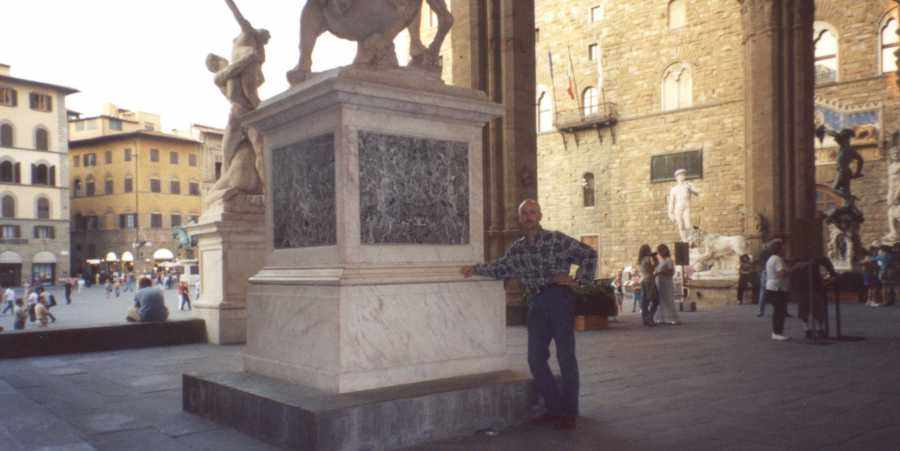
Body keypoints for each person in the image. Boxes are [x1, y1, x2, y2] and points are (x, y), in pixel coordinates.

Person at [460, 199, 597, 430]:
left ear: (540, 216)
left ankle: (569, 413)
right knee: (535, 359)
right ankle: (554, 409)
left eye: (533, 212)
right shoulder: (518, 248)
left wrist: (578, 280)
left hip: (559, 299)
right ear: (520, 218)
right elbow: (500, 267)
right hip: (534, 303)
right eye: (524, 213)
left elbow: (589, 255)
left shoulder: (556, 239)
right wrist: (474, 269)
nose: (529, 217)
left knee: (565, 357)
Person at [764, 239, 805, 341]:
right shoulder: (777, 259)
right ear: (779, 249)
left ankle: (777, 332)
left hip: (773, 287)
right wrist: (795, 268)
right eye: (783, 247)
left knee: (779, 311)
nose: (785, 249)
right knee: (779, 311)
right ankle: (777, 332)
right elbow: (781, 274)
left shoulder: (772, 258)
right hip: (777, 288)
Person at [667, 168, 700, 242]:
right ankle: (684, 240)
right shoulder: (674, 189)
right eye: (680, 175)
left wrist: (691, 188)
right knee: (681, 226)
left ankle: (690, 240)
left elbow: (697, 193)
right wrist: (670, 213)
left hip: (686, 208)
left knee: (688, 225)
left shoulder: (688, 186)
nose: (682, 177)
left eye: (683, 175)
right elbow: (671, 202)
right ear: (677, 177)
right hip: (678, 209)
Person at [654, 244, 680, 325]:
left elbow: (671, 272)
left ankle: (672, 318)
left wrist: (661, 272)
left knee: (668, 299)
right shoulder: (661, 261)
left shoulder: (669, 260)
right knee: (661, 300)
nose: (657, 253)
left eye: (658, 251)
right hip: (660, 283)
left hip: (666, 283)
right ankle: (663, 318)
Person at [638, 244, 659, 327]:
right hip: (649, 281)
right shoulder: (647, 258)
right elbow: (654, 267)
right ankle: (649, 318)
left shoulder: (641, 260)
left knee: (645, 301)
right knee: (655, 300)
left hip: (644, 280)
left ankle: (645, 319)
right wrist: (655, 259)